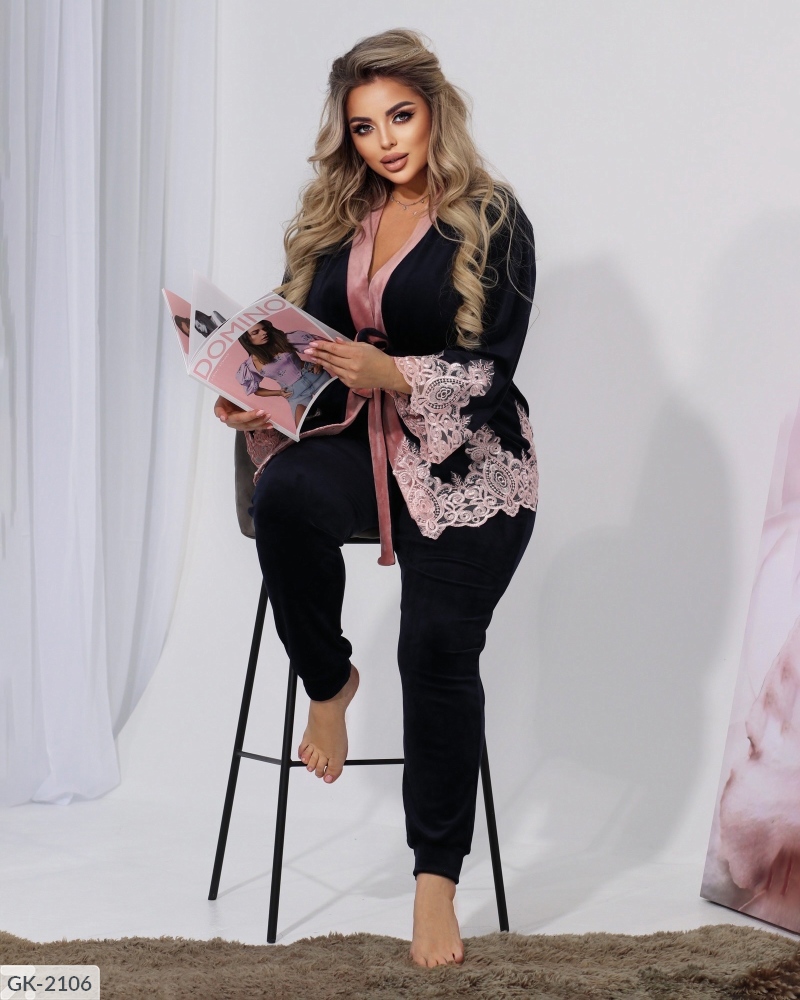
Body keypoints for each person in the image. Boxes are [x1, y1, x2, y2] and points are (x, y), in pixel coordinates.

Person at [214, 28, 537, 968]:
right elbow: (302, 350)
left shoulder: (492, 217)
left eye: (400, 116)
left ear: (435, 110)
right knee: (285, 496)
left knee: (434, 646)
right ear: (346, 135)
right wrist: (256, 398)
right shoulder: (334, 219)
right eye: (365, 127)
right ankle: (329, 683)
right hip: (357, 443)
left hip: (467, 465)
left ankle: (435, 882)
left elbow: (493, 369)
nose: (387, 141)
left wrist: (392, 370)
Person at [236, 320, 330, 426]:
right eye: (255, 332)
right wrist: (278, 393)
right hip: (295, 393)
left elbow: (317, 347)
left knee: (339, 408)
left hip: (316, 377)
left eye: (264, 329)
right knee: (303, 428)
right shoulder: (250, 365)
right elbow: (256, 391)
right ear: (247, 340)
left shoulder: (283, 339)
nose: (264, 333)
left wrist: (318, 364)